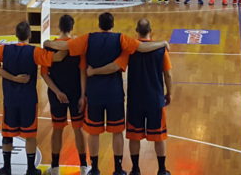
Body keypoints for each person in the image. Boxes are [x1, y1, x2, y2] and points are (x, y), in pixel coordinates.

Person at [44, 12, 168, 175]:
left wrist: (47, 42)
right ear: (112, 24)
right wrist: (162, 43)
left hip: (94, 93)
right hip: (114, 93)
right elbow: (142, 47)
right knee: (117, 132)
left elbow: (65, 47)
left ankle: (94, 169)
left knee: (93, 133)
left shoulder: (88, 38)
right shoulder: (121, 39)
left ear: (99, 24)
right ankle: (118, 169)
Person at [0, 22, 68, 175]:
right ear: (30, 35)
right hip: (28, 100)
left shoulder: (3, 49)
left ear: (16, 34)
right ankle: (30, 169)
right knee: (30, 135)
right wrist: (59, 43)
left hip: (10, 99)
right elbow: (59, 57)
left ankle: (7, 168)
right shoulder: (35, 52)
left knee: (8, 135)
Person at [90, 19, 172, 175]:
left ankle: (135, 169)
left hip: (135, 99)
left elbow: (115, 66)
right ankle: (161, 170)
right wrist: (169, 93)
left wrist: (93, 71)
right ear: (151, 30)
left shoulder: (130, 50)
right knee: (159, 136)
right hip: (155, 98)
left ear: (136, 30)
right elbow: (167, 74)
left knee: (134, 136)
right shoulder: (161, 50)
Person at [41, 15, 89, 175]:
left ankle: (55, 167)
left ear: (59, 27)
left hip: (57, 94)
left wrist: (57, 92)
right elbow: (83, 71)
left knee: (57, 129)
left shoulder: (49, 46)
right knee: (78, 129)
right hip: (75, 92)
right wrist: (83, 95)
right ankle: (83, 166)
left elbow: (44, 74)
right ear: (72, 27)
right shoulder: (78, 45)